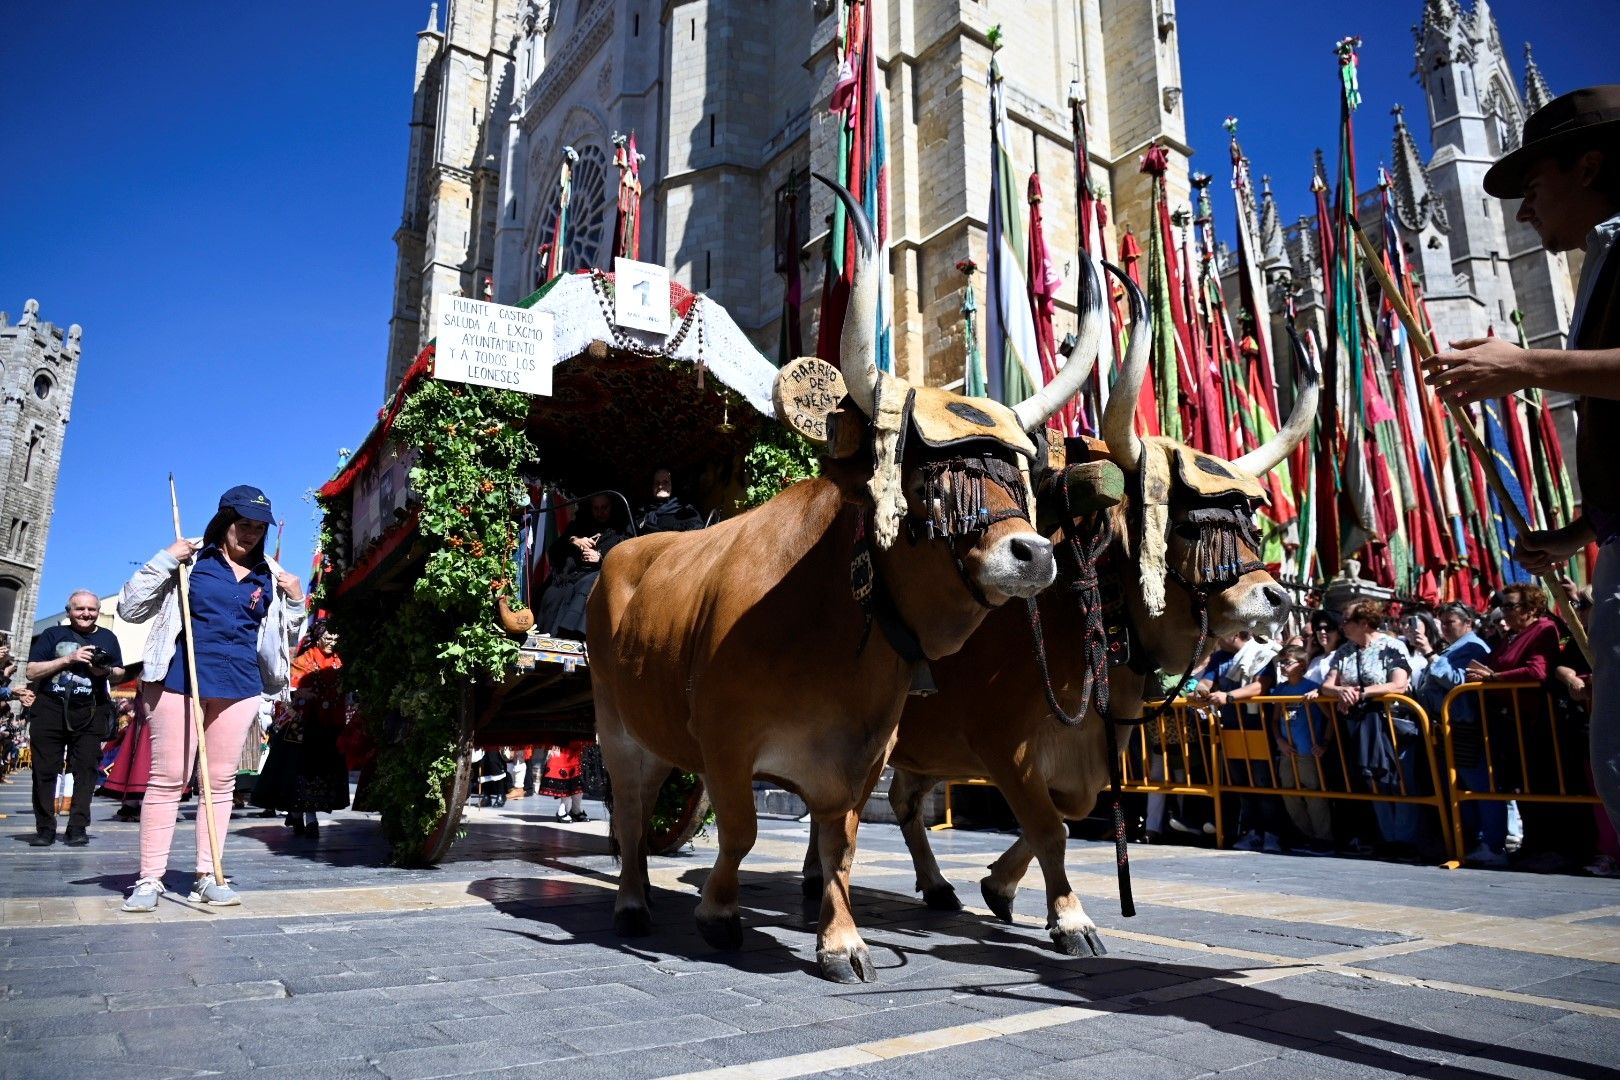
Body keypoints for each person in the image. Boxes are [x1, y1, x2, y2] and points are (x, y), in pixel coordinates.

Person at [1424, 86, 1620, 839]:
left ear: (1591, 166)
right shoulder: (1604, 259)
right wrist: (1577, 531)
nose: (1524, 212)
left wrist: (1530, 366)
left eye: (1534, 188)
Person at [115, 485, 304, 912]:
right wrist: (165, 559)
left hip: (239, 684)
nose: (252, 534)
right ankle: (149, 879)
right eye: (245, 525)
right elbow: (131, 608)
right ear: (225, 521)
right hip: (181, 678)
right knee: (169, 779)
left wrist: (295, 601)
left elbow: (285, 639)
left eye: (259, 527)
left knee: (220, 783)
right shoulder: (192, 559)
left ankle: (207, 874)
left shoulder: (269, 575)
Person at [1476, 584, 1590, 871]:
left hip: (1540, 723)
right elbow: (1493, 665)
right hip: (1511, 723)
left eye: (1511, 606)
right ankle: (1534, 845)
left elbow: (1537, 670)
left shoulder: (1544, 628)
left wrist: (1495, 678)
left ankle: (1558, 848)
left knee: (1547, 784)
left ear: (1531, 608)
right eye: (1505, 606)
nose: (1505, 612)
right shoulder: (1511, 636)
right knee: (1524, 786)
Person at [1315, 601, 1425, 859]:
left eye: (1346, 621)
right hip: (1361, 726)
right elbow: (1326, 686)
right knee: (1374, 779)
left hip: (1393, 724)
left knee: (1399, 779)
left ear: (1364, 623)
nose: (1342, 626)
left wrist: (1362, 693)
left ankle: (1406, 839)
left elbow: (1398, 684)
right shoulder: (1345, 651)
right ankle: (1389, 838)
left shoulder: (1392, 646)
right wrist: (1340, 690)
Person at [24, 590, 126, 847]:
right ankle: (45, 828)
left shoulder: (107, 637)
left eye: (91, 609)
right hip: (50, 708)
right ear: (69, 610)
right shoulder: (52, 635)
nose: (86, 614)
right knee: (45, 770)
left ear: (98, 611)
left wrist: (102, 669)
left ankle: (77, 826)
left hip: (91, 710)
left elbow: (119, 673)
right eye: (80, 609)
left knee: (86, 770)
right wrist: (68, 659)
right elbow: (31, 671)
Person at [1412, 602, 1504, 865]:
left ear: (1468, 622)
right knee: (1462, 786)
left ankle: (1493, 844)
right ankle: (1472, 841)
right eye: (1442, 622)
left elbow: (1458, 680)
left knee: (1481, 786)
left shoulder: (1474, 647)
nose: (1444, 627)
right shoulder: (1454, 648)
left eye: (1450, 622)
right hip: (1449, 726)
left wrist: (1430, 654)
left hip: (1468, 724)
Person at [251, 621, 349, 837]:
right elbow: (292, 691)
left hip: (329, 726)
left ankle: (303, 816)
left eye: (335, 639)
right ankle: (303, 815)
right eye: (328, 638)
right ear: (318, 637)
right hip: (301, 729)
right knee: (299, 772)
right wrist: (304, 695)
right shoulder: (302, 661)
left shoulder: (340, 661)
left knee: (320, 773)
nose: (332, 643)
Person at [1194, 631, 1283, 853]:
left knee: (1263, 781)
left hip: (1257, 726)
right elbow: (1205, 681)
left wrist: (1228, 696)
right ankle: (1251, 832)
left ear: (1234, 634)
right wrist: (1201, 691)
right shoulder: (1219, 657)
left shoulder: (1262, 653)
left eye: (1220, 635)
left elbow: (1260, 686)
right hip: (1232, 728)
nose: (1216, 641)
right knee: (1242, 782)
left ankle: (1272, 833)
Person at [535, 494, 626, 639]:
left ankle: (570, 635)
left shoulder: (621, 532)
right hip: (570, 575)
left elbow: (625, 562)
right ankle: (546, 635)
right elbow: (554, 551)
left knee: (584, 586)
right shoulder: (579, 526)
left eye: (604, 508)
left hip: (597, 577)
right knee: (552, 592)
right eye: (596, 508)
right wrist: (574, 540)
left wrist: (601, 558)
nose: (600, 512)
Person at [1271, 645, 1333, 854]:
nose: (1283, 666)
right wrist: (1279, 739)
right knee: (1289, 792)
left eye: (1287, 662)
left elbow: (1330, 718)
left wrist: (1324, 742)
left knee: (1313, 792)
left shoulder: (1311, 688)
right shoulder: (1281, 690)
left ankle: (1323, 837)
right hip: (1288, 750)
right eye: (1281, 663)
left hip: (1308, 749)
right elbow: (1274, 720)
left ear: (1302, 665)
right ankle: (1304, 834)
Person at [635, 468, 704, 534]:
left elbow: (696, 537)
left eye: (665, 482)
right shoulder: (643, 513)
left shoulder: (687, 512)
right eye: (657, 483)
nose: (660, 486)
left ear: (673, 485)